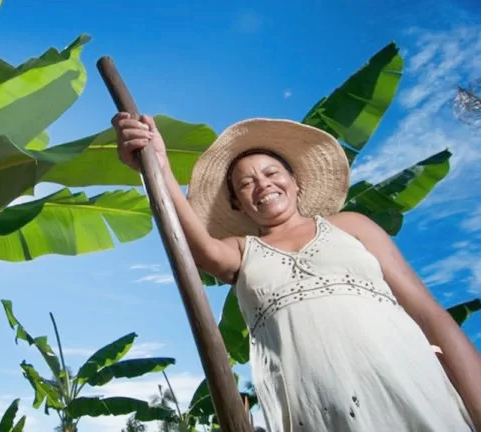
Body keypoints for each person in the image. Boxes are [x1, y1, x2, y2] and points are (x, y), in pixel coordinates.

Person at [111, 112, 481, 431]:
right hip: (314, 412)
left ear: (296, 180)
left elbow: (429, 314)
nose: (263, 184)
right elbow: (197, 249)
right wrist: (155, 168)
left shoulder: (352, 225)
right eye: (246, 183)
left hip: (410, 387)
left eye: (272, 172)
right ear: (238, 204)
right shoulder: (241, 251)